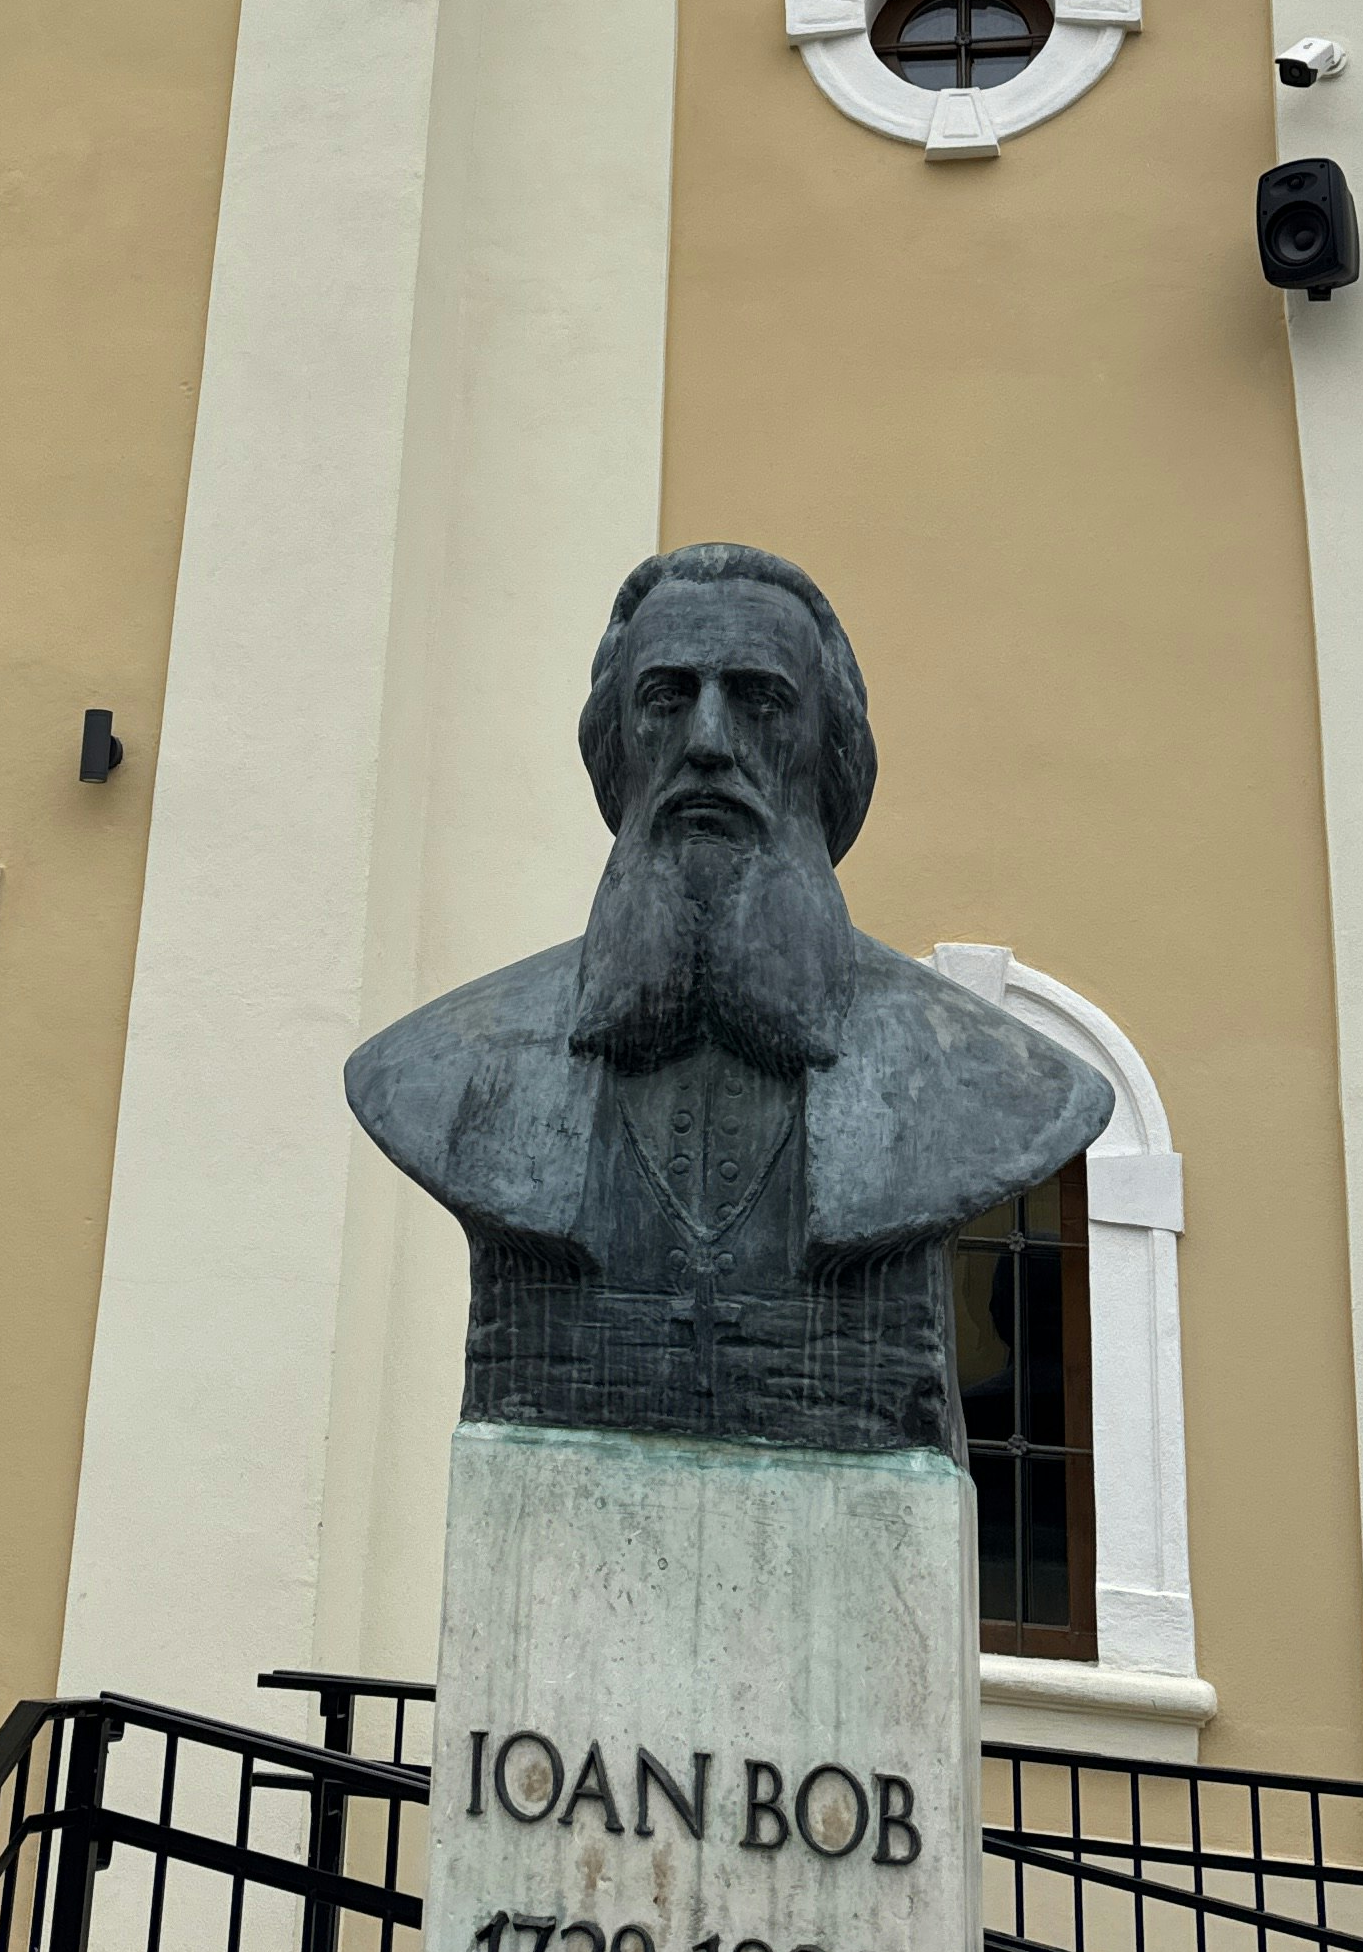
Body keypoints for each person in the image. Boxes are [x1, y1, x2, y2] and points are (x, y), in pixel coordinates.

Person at [345, 542, 1109, 1456]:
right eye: (667, 698)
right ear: (615, 745)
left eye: (760, 701)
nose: (708, 742)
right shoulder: (439, 1069)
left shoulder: (996, 1079)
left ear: (830, 751)